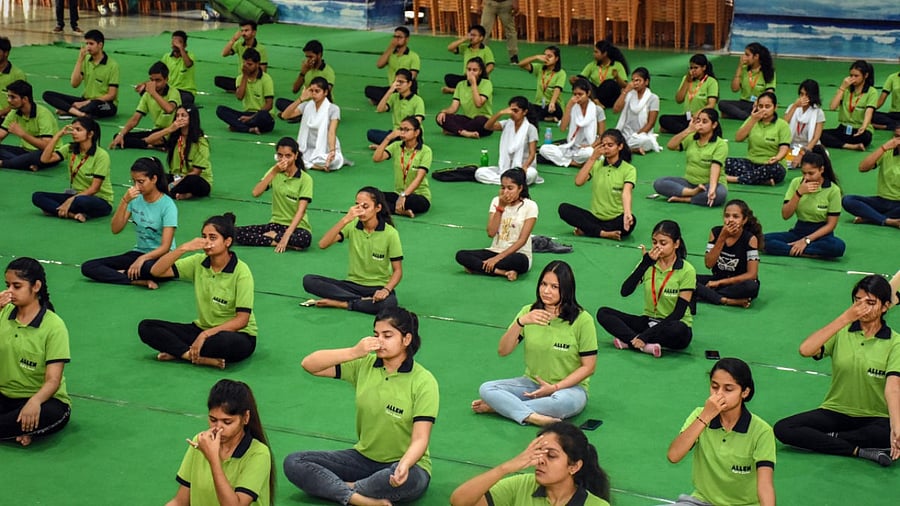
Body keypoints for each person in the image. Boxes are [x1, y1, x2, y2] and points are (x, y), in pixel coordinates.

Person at [283, 307, 438, 505]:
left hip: (407, 464)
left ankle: (342, 488)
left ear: (406, 339)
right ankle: (361, 498)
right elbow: (309, 364)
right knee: (295, 462)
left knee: (404, 481)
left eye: (387, 335)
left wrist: (405, 464)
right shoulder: (364, 364)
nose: (379, 341)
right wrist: (353, 352)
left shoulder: (424, 381)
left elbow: (420, 438)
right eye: (376, 334)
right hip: (362, 459)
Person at [774, 275, 900, 467]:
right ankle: (858, 451)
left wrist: (896, 426)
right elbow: (805, 350)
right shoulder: (843, 331)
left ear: (885, 306)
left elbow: (893, 388)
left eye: (871, 302)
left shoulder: (895, 343)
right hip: (835, 411)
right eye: (857, 301)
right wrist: (845, 318)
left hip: (875, 417)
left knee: (885, 433)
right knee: (783, 428)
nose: (862, 308)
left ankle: (829, 439)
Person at [472, 261, 598, 426]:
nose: (546, 291)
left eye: (554, 287)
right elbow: (503, 350)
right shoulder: (528, 312)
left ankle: (500, 408)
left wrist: (554, 388)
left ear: (566, 290)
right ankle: (533, 416)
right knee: (487, 389)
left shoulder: (583, 320)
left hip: (569, 389)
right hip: (532, 384)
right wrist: (520, 322)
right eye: (543, 284)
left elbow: (589, 367)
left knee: (560, 404)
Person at [140, 213, 258, 369]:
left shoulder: (241, 271)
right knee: (146, 327)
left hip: (237, 334)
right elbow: (156, 271)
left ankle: (179, 351)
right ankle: (191, 356)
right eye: (204, 236)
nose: (207, 242)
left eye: (213, 237)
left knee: (223, 343)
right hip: (202, 328)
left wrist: (205, 335)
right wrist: (182, 249)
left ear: (227, 242)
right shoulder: (198, 261)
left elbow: (242, 320)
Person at [666, 358, 776, 506]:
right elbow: (674, 455)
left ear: (745, 392)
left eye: (728, 389)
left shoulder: (762, 431)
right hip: (702, 502)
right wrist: (705, 416)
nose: (719, 394)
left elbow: (765, 486)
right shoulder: (700, 415)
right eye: (714, 386)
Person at [166, 379, 274, 505]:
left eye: (227, 422)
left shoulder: (259, 454)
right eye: (213, 419)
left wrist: (213, 459)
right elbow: (180, 501)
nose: (218, 428)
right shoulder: (200, 442)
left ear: (245, 418)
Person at [596, 220, 695, 357]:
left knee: (679, 330)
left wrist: (645, 336)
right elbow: (625, 291)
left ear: (676, 244)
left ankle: (631, 341)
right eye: (654, 242)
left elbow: (678, 314)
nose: (657, 247)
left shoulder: (687, 270)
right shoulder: (648, 263)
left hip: (672, 325)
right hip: (648, 321)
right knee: (603, 313)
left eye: (663, 243)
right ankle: (643, 345)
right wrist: (645, 264)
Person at [450, 422, 611, 506]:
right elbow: (460, 502)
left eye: (551, 456)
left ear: (574, 466)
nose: (540, 460)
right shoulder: (521, 484)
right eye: (538, 452)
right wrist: (505, 468)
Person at [0, 258, 71, 447]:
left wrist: (34, 402)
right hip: (5, 394)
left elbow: (53, 380)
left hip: (43, 399)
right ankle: (22, 431)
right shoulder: (3, 312)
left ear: (36, 286)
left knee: (52, 414)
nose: (9, 292)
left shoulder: (54, 326)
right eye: (7, 286)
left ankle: (22, 427)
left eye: (17, 286)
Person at [302, 187, 402, 315]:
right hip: (351, 285)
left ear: (378, 208)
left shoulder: (390, 234)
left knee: (389, 303)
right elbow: (323, 244)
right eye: (357, 205)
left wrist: (386, 290)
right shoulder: (353, 225)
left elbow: (398, 271)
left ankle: (342, 303)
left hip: (377, 287)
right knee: (309, 280)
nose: (360, 211)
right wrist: (345, 220)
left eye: (365, 206)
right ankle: (360, 301)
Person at [81, 157, 177, 288]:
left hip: (160, 257)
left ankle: (124, 274)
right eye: (134, 181)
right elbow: (116, 229)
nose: (137, 186)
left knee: (148, 269)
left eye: (141, 182)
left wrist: (142, 259)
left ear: (154, 179)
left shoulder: (167, 205)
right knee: (89, 267)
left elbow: (166, 247)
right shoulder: (135, 199)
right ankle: (134, 280)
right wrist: (124, 201)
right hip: (138, 252)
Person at [456, 168, 538, 281]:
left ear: (520, 188)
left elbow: (522, 241)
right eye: (503, 187)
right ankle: (502, 272)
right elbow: (491, 232)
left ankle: (479, 268)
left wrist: (496, 259)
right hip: (495, 250)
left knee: (519, 261)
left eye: (510, 188)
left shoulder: (530, 206)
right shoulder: (496, 201)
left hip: (518, 254)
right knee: (461, 255)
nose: (505, 192)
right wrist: (501, 207)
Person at [763, 146, 845, 258]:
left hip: (821, 234)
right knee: (761, 240)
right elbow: (785, 215)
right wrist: (798, 193)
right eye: (804, 173)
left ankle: (793, 250)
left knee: (837, 247)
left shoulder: (833, 190)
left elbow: (831, 225)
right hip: (799, 231)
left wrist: (806, 240)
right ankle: (807, 252)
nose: (807, 177)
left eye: (811, 173)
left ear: (821, 170)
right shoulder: (796, 183)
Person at [234, 137, 314, 252]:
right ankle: (274, 241)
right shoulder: (274, 171)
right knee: (235, 233)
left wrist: (286, 236)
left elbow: (301, 211)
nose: (283, 159)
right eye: (280, 155)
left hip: (297, 227)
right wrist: (274, 172)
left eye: (288, 156)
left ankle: (272, 238)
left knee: (304, 239)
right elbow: (256, 193)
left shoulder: (306, 179)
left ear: (296, 155)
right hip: (276, 224)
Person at [557, 129, 636, 240]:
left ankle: (589, 230)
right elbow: (578, 182)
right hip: (594, 217)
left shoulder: (629, 169)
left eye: (610, 145)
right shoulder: (596, 164)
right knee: (564, 209)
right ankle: (603, 233)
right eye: (603, 145)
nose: (606, 148)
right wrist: (593, 158)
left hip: (615, 218)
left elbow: (626, 193)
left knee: (631, 222)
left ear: (620, 147)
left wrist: (627, 213)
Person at [34, 117, 113, 222]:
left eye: (78, 130)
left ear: (90, 134)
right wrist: (57, 136)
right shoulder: (70, 148)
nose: (73, 133)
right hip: (75, 195)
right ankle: (72, 214)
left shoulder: (101, 155)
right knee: (37, 196)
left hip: (99, 199)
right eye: (73, 129)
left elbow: (94, 189)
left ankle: (55, 210)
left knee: (81, 202)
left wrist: (70, 200)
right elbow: (45, 159)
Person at [694, 200, 762, 310]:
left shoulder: (750, 239)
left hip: (738, 282)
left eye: (736, 217)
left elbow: (752, 275)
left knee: (751, 287)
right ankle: (727, 300)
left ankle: (704, 294)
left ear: (744, 220)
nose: (730, 220)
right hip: (718, 277)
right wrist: (722, 237)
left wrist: (719, 283)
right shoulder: (715, 232)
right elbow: (708, 264)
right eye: (727, 216)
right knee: (687, 279)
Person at [656, 108, 728, 207]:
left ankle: (686, 198)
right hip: (689, 183)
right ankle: (692, 193)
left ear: (714, 125)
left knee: (720, 195)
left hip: (710, 184)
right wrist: (688, 130)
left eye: (705, 121)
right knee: (659, 183)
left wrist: (712, 189)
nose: (700, 124)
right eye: (698, 121)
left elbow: (715, 167)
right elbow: (671, 146)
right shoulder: (692, 138)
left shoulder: (720, 144)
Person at [42, 30, 119, 119]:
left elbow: (111, 95)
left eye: (91, 44)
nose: (88, 47)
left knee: (93, 106)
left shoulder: (112, 65)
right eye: (86, 44)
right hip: (85, 100)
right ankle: (80, 113)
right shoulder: (86, 60)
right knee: (48, 95)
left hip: (104, 104)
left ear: (100, 45)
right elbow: (74, 84)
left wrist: (86, 103)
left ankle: (70, 110)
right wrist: (80, 60)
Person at [144, 105, 213, 200]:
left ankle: (171, 191)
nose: (179, 119)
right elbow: (148, 140)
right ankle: (178, 193)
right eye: (177, 116)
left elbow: (196, 172)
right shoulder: (175, 136)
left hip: (196, 180)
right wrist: (169, 129)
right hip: (176, 177)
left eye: (183, 115)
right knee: (151, 173)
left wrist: (172, 185)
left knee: (192, 181)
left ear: (191, 118)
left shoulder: (200, 142)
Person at [723, 91, 790, 186]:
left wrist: (777, 158)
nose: (763, 110)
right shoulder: (752, 119)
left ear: (775, 107)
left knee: (774, 170)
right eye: (760, 106)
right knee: (725, 162)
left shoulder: (782, 125)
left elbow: (784, 148)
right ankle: (761, 181)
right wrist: (753, 119)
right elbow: (738, 138)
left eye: (767, 107)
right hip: (751, 163)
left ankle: (735, 179)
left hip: (771, 165)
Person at [110, 61, 180, 150]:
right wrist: (121, 134)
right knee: (119, 137)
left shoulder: (174, 92)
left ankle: (149, 143)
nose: (154, 84)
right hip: (156, 132)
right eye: (151, 80)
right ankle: (150, 144)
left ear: (166, 79)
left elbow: (169, 109)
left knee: (157, 138)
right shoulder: (147, 95)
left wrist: (153, 93)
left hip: (173, 131)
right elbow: (135, 119)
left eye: (158, 80)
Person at [373, 116, 432, 218]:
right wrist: (388, 138)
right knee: (373, 197)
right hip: (398, 194)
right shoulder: (396, 146)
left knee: (411, 201)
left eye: (407, 130)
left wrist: (404, 195)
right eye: (401, 129)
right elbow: (376, 158)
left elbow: (419, 178)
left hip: (418, 196)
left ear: (416, 132)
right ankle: (400, 211)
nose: (402, 132)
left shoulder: (425, 151)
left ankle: (392, 208)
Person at [842, 125, 900, 228]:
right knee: (848, 200)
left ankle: (871, 217)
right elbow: (862, 168)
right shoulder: (888, 151)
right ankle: (887, 220)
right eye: (896, 136)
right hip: (881, 201)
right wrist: (883, 148)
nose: (898, 140)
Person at [282, 76, 344, 171]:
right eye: (312, 91)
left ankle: (316, 163)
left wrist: (332, 151)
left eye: (317, 91)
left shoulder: (333, 109)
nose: (314, 94)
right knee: (284, 157)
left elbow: (332, 132)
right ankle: (316, 166)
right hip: (307, 148)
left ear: (325, 92)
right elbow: (285, 115)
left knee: (334, 161)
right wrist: (300, 99)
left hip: (326, 149)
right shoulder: (306, 105)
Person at [539, 78, 605, 167]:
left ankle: (569, 160)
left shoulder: (597, 110)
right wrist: (569, 107)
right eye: (575, 94)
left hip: (587, 148)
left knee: (589, 153)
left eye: (580, 94)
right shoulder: (572, 107)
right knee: (544, 149)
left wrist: (591, 146)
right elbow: (562, 128)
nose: (577, 97)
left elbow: (602, 136)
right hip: (570, 146)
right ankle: (574, 163)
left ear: (588, 93)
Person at [474, 97, 539, 185]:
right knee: (479, 172)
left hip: (523, 168)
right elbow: (487, 126)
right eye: (511, 110)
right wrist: (500, 113)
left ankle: (509, 181)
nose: (512, 113)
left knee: (532, 174)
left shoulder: (531, 129)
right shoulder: (506, 124)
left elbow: (532, 153)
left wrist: (524, 168)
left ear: (524, 112)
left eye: (516, 111)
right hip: (505, 168)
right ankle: (513, 182)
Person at [0, 80, 61, 171]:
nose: (9, 100)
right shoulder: (14, 112)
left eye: (13, 97)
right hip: (24, 152)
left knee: (37, 156)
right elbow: (1, 134)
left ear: (25, 99)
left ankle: (4, 163)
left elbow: (46, 146)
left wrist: (23, 134)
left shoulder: (43, 114)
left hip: (46, 153)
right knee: (27, 158)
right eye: (8, 96)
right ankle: (25, 164)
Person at [215, 48, 275, 135]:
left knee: (264, 116)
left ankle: (239, 126)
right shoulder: (240, 78)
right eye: (244, 63)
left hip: (261, 115)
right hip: (247, 114)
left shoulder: (266, 79)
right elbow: (239, 96)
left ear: (257, 64)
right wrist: (245, 77)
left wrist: (250, 118)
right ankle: (249, 129)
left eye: (249, 64)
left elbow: (269, 105)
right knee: (220, 110)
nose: (246, 66)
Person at [821, 60, 878, 151]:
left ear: (866, 76)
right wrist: (842, 88)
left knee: (865, 138)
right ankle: (850, 146)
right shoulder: (845, 89)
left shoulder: (872, 92)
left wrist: (864, 126)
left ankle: (842, 143)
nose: (853, 78)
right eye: (851, 75)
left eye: (856, 76)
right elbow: (832, 107)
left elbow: (869, 111)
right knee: (819, 134)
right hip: (844, 128)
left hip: (860, 131)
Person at [658, 54, 719, 134]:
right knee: (663, 119)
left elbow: (711, 105)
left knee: (666, 127)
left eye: (696, 68)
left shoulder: (711, 81)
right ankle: (691, 131)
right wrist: (687, 82)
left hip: (701, 118)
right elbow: (679, 99)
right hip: (687, 117)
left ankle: (687, 130)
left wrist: (699, 113)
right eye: (691, 68)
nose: (692, 71)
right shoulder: (686, 79)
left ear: (704, 68)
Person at [435, 57, 494, 138]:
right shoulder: (460, 85)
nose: (471, 73)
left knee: (480, 121)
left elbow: (478, 103)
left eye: (474, 70)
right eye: (469, 69)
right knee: (441, 117)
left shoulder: (487, 84)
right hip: (468, 119)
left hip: (483, 120)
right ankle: (464, 133)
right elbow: (453, 108)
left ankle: (455, 130)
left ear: (480, 72)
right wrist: (443, 112)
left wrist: (473, 84)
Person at [275, 39, 336, 117]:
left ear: (319, 55)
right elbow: (295, 90)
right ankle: (302, 114)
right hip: (306, 104)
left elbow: (326, 94)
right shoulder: (307, 69)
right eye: (307, 57)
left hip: (321, 105)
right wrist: (303, 73)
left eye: (311, 57)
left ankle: (300, 115)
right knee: (279, 102)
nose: (308, 60)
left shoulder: (328, 71)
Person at [367, 68, 425, 147]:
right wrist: (390, 91)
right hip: (396, 133)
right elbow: (380, 109)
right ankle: (391, 145)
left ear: (409, 84)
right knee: (371, 133)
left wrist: (402, 131)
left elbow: (417, 123)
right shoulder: (394, 97)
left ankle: (388, 146)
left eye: (401, 82)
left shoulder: (418, 100)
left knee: (397, 138)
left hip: (410, 134)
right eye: (396, 81)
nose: (397, 84)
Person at [719, 42, 776, 120]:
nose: (744, 57)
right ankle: (748, 117)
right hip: (744, 102)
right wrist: (739, 67)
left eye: (747, 55)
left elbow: (770, 92)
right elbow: (734, 89)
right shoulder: (744, 69)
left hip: (758, 104)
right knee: (722, 104)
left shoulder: (768, 71)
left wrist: (759, 102)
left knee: (758, 109)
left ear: (756, 57)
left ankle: (737, 115)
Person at [364, 27, 420, 104]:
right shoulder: (390, 54)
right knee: (368, 90)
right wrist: (391, 47)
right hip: (393, 88)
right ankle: (393, 100)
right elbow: (379, 65)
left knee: (411, 84)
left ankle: (387, 100)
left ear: (407, 39)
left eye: (400, 37)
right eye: (395, 37)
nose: (396, 39)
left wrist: (400, 83)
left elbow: (413, 76)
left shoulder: (413, 56)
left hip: (406, 87)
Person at [612, 67, 661, 154]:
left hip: (640, 135)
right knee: (610, 138)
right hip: (624, 133)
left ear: (646, 82)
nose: (635, 83)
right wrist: (625, 91)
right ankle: (630, 149)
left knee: (646, 141)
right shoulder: (629, 94)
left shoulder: (653, 98)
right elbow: (615, 110)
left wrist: (636, 135)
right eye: (633, 80)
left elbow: (651, 123)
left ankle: (622, 147)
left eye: (638, 80)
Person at [572, 39, 628, 109]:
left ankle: (595, 101)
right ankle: (596, 101)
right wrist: (574, 80)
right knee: (582, 81)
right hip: (595, 95)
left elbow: (625, 86)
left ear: (604, 54)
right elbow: (582, 79)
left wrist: (617, 77)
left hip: (610, 98)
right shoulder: (592, 65)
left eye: (596, 52)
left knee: (610, 83)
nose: (593, 54)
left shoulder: (617, 65)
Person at [214, 20, 267, 92]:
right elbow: (224, 54)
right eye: (242, 31)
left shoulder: (261, 49)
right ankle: (240, 88)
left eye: (246, 30)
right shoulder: (239, 44)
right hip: (241, 79)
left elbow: (263, 70)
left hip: (254, 80)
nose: (243, 33)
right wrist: (233, 40)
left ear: (254, 32)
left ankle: (242, 89)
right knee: (218, 80)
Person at [783, 79, 825, 168]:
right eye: (801, 94)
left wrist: (802, 154)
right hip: (792, 145)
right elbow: (783, 125)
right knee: (780, 157)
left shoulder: (818, 112)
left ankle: (801, 161)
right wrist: (795, 106)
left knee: (820, 158)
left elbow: (816, 138)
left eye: (807, 95)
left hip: (809, 147)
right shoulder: (792, 107)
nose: (803, 98)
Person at [518, 46, 566, 122]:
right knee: (525, 108)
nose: (546, 58)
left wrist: (552, 103)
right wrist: (536, 57)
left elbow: (558, 89)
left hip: (552, 106)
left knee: (551, 109)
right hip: (539, 105)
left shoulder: (561, 73)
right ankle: (547, 118)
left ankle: (542, 117)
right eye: (545, 55)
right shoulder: (539, 68)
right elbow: (521, 64)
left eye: (549, 56)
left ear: (556, 59)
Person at [444, 25, 495, 93]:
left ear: (481, 38)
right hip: (467, 77)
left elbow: (491, 66)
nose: (471, 37)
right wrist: (463, 39)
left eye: (474, 35)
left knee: (481, 83)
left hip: (479, 77)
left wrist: (481, 75)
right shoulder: (466, 48)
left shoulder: (486, 50)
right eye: (470, 35)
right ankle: (468, 89)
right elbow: (450, 48)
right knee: (448, 78)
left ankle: (456, 90)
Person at [159, 30, 196, 105]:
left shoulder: (190, 56)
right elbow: (159, 73)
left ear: (185, 45)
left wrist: (181, 48)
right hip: (169, 90)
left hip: (185, 91)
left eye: (179, 42)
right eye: (174, 42)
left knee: (185, 99)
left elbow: (188, 64)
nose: (175, 44)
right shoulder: (166, 57)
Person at [0, 37, 28, 121]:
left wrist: (2, 112)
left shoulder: (17, 75)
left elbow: (21, 102)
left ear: (6, 53)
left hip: (7, 116)